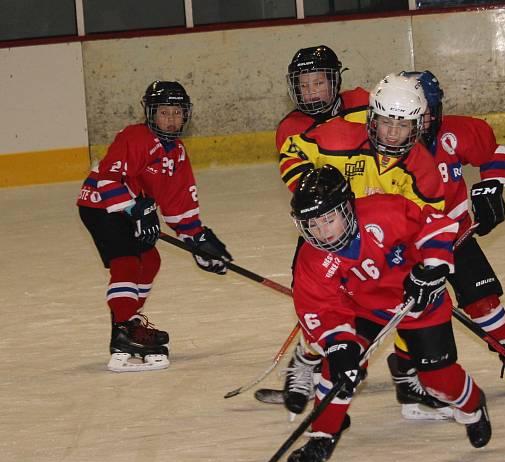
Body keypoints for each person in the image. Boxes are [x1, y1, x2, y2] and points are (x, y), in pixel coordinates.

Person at [285, 165, 492, 462]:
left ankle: (473, 404)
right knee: (337, 369)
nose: (322, 232)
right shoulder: (312, 259)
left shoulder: (385, 211)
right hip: (366, 308)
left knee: (438, 380)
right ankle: (323, 435)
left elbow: (433, 226)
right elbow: (320, 308)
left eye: (329, 219)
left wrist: (432, 268)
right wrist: (339, 346)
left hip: (419, 301)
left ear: (346, 208)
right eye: (312, 224)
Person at [272, 72, 450, 418]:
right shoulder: (340, 137)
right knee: (325, 308)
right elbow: (293, 150)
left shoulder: (422, 167)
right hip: (332, 235)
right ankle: (307, 358)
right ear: (373, 119)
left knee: (407, 305)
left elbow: (429, 222)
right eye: (386, 122)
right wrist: (315, 192)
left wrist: (425, 265)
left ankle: (406, 375)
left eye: (403, 124)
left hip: (386, 242)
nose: (393, 132)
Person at [391, 70, 505, 410]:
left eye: (430, 110)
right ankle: (407, 369)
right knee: (415, 309)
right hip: (415, 247)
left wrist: (492, 185)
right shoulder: (391, 146)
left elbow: (492, 151)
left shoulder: (455, 133)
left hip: (457, 233)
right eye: (418, 110)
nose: (425, 119)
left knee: (483, 297)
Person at [77, 81, 232, 372]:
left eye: (177, 112)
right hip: (100, 206)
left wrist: (197, 241)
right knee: (126, 261)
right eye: (164, 113)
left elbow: (179, 205)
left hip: (134, 211)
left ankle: (128, 325)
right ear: (150, 114)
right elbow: (108, 180)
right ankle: (123, 331)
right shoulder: (134, 137)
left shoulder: (178, 154)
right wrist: (134, 208)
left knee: (150, 259)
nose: (171, 119)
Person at [256, 45, 370, 411]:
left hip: (377, 218)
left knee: (389, 293)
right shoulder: (290, 129)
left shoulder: (365, 103)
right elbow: (306, 190)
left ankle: (409, 370)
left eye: (318, 82)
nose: (310, 92)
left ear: (334, 81)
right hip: (329, 227)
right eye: (303, 85)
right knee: (316, 300)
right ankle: (306, 362)